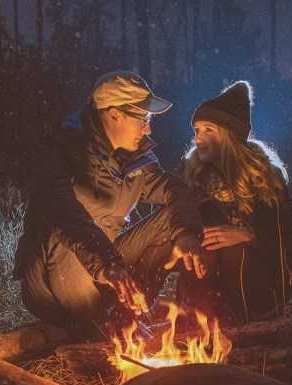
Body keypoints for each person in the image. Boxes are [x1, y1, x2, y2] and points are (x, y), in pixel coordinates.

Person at [13, 71, 208, 334]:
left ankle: (142, 309)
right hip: (50, 278)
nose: (148, 128)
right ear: (114, 114)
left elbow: (174, 189)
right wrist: (108, 265)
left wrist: (186, 233)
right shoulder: (65, 151)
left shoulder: (136, 159)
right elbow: (66, 217)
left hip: (109, 261)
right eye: (143, 118)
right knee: (68, 238)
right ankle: (107, 328)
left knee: (178, 217)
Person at [180, 81, 292, 324]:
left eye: (208, 130)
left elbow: (289, 248)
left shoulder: (265, 177)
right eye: (196, 130)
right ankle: (196, 329)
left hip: (259, 291)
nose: (198, 139)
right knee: (204, 246)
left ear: (229, 135)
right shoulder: (193, 175)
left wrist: (249, 235)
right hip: (208, 290)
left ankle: (246, 325)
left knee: (234, 248)